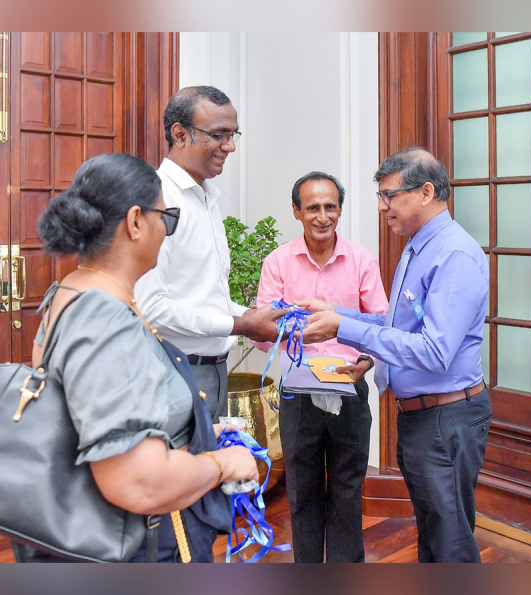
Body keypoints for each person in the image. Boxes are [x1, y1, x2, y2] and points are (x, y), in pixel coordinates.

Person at [14, 153, 259, 563]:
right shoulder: (105, 318)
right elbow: (139, 483)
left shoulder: (74, 289)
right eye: (167, 218)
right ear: (135, 222)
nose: (167, 231)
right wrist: (223, 463)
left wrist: (196, 433)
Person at [299, 147, 491, 563]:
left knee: (450, 544)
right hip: (423, 416)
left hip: (445, 418)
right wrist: (339, 314)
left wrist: (343, 328)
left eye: (390, 196)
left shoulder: (453, 255)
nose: (382, 207)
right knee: (433, 538)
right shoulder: (419, 246)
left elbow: (435, 351)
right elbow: (398, 326)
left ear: (426, 192)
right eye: (380, 196)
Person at [253, 171, 388, 563]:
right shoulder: (278, 262)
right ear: (297, 211)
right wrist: (293, 334)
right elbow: (261, 335)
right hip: (298, 392)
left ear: (340, 210)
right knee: (302, 490)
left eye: (331, 207)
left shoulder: (362, 260)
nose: (323, 216)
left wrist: (366, 361)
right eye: (313, 207)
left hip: (350, 386)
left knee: (348, 489)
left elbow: (381, 324)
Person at [135, 85, 284, 423]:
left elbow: (203, 297)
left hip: (214, 372)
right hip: (172, 373)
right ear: (180, 134)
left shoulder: (205, 198)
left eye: (233, 135)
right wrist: (241, 325)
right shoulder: (156, 199)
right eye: (219, 135)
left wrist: (255, 315)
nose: (230, 146)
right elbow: (150, 308)